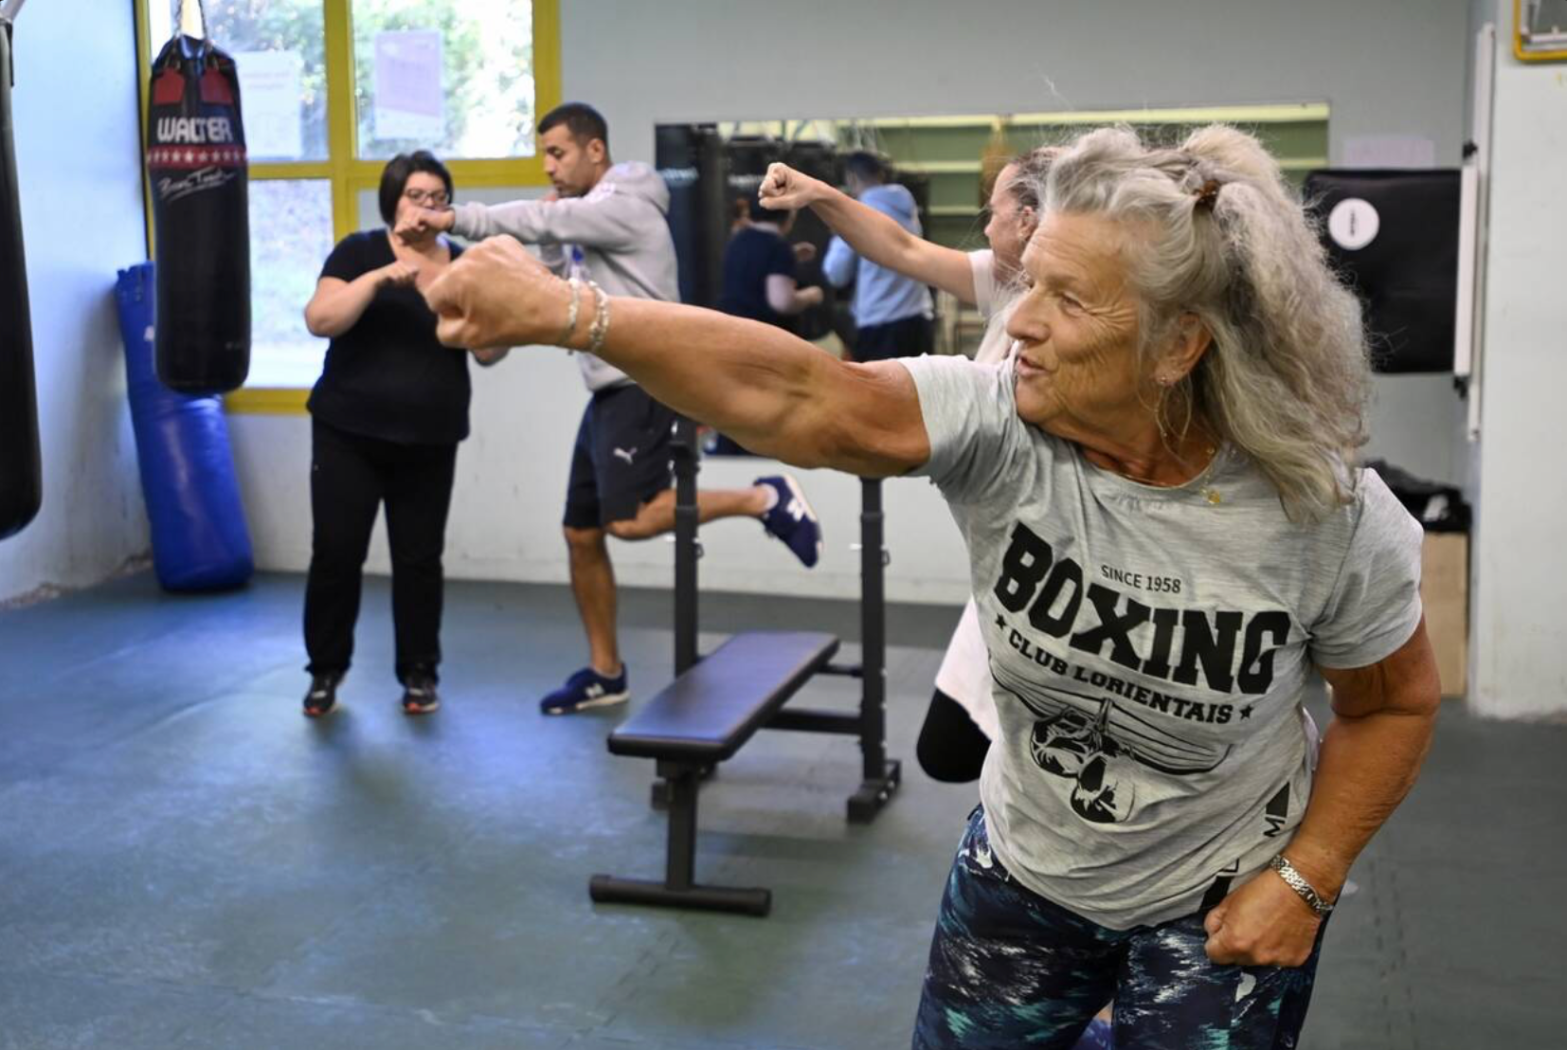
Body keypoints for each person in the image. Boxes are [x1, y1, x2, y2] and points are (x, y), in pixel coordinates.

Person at [424, 123, 1442, 1048]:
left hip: (1220, 898)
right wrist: (571, 311)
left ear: (1178, 345)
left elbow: (1393, 703)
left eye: (1066, 297)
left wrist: (1307, 884)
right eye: (1023, 281)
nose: (1019, 323)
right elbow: (798, 393)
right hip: (1024, 873)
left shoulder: (1322, 514)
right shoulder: (1004, 424)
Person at [405, 102, 824, 715]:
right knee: (581, 533)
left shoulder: (625, 204)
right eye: (544, 154)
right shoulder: (579, 222)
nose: (548, 166)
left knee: (627, 520)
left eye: (558, 153)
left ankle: (764, 497)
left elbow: (537, 223)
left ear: (594, 152)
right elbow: (547, 275)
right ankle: (607, 672)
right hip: (607, 390)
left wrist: (453, 219)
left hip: (647, 381)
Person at [761, 147, 1059, 782]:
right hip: (1004, 562)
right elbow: (901, 250)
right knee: (958, 750)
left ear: (1030, 220)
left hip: (1050, 565)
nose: (986, 224)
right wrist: (820, 194)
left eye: (996, 210)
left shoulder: (1072, 312)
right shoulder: (1007, 280)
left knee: (961, 750)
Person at [298, 151, 508, 718]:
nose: (427, 207)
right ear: (393, 200)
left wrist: (468, 301)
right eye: (417, 196)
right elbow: (320, 320)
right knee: (337, 553)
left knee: (419, 559)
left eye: (438, 198)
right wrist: (379, 278)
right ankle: (325, 670)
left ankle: (419, 673)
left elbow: (490, 350)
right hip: (349, 434)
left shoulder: (464, 265)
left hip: (429, 437)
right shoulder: (359, 251)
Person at [822, 151, 935, 361]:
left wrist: (838, 234)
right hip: (919, 319)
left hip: (880, 326)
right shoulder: (906, 207)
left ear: (851, 178)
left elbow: (835, 273)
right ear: (881, 175)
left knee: (880, 393)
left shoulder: (855, 214)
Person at [717, 196, 823, 331]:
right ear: (789, 214)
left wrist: (791, 255)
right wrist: (811, 295)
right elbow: (782, 302)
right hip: (765, 335)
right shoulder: (778, 247)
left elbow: (754, 266)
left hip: (733, 328)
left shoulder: (738, 240)